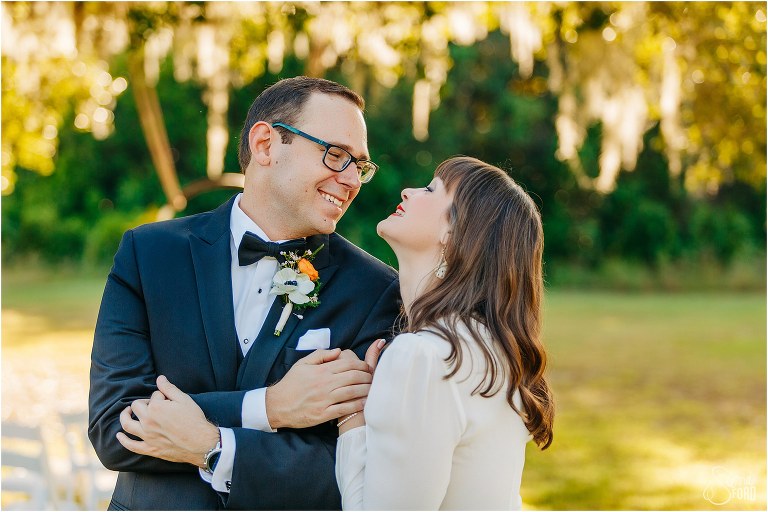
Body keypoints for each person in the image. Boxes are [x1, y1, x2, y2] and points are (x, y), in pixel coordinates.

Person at [88, 76, 400, 510]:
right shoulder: (149, 254)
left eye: (360, 165)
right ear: (266, 144)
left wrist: (215, 446)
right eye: (335, 155)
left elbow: (357, 472)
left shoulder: (376, 290)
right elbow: (115, 430)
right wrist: (269, 408)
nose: (350, 179)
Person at [334, 156, 555, 510]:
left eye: (430, 189)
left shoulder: (421, 357)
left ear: (452, 233)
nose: (407, 191)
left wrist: (352, 415)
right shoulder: (495, 349)